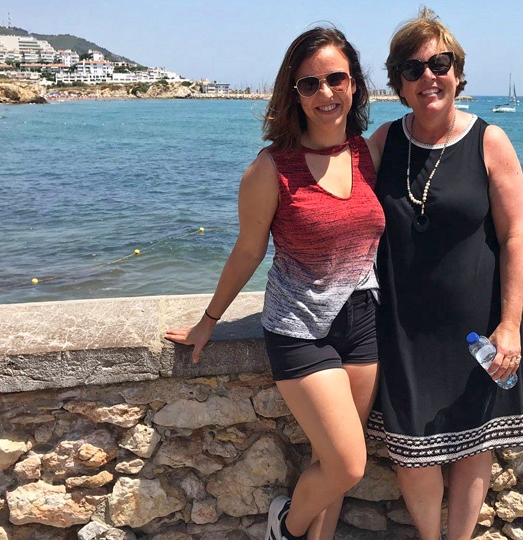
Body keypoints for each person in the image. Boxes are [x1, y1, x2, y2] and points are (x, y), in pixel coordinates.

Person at [165, 27, 384, 540]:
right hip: (300, 329)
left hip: (363, 321)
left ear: (354, 84)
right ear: (294, 93)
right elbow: (248, 250)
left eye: (336, 79)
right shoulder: (271, 168)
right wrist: (208, 321)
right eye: (310, 84)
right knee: (349, 463)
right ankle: (285, 524)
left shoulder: (368, 153)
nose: (325, 94)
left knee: (331, 462)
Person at [365, 8, 523, 540]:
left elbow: (513, 239)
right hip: (402, 329)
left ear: (458, 72)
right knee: (413, 455)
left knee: (473, 446)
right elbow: (342, 211)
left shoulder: (490, 141)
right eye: (412, 69)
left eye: (439, 63)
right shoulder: (382, 143)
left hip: (477, 328)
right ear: (399, 83)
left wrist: (508, 325)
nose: (427, 77)